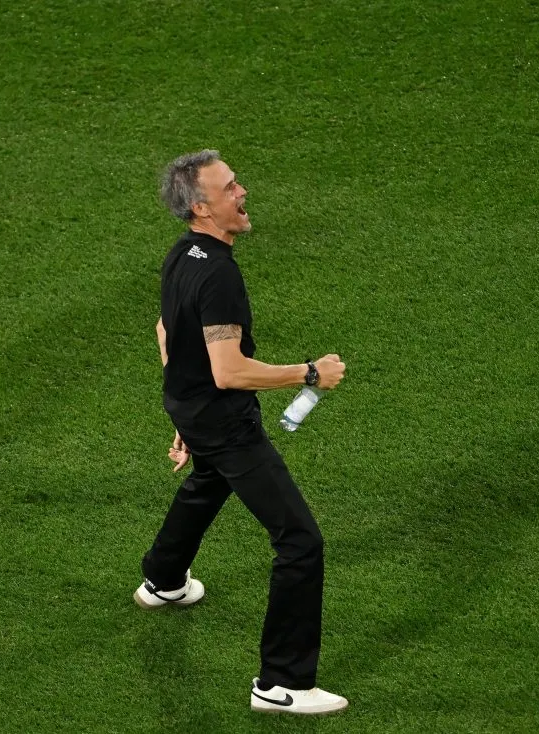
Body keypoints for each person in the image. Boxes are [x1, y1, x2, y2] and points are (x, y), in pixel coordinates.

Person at [134, 150, 348, 715]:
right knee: (300, 542)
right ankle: (282, 684)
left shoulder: (181, 254)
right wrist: (309, 373)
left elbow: (165, 334)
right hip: (225, 423)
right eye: (230, 188)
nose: (243, 192)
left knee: (209, 479)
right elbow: (229, 371)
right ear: (202, 207)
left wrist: (184, 415)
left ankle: (163, 578)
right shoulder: (220, 272)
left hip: (192, 408)